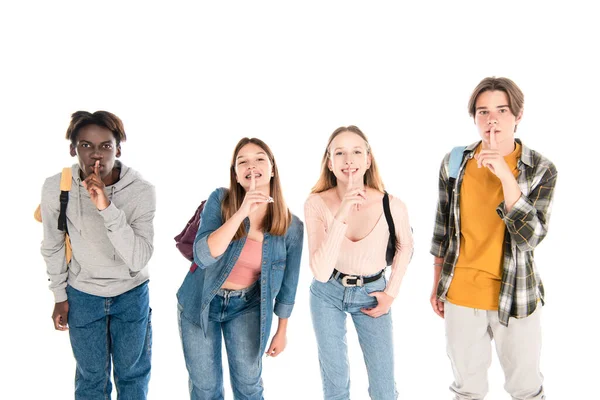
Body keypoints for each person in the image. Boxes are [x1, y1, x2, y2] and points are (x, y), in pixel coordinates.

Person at [430, 77, 558, 399]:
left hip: (517, 295)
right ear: (474, 117)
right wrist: (436, 284)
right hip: (460, 294)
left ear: (518, 115)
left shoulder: (541, 168)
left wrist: (504, 174)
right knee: (467, 390)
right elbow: (441, 229)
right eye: (483, 112)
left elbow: (530, 238)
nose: (492, 120)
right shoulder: (455, 161)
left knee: (526, 389)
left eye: (501, 110)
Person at [176, 137, 304, 400]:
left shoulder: (291, 227)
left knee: (249, 386)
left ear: (272, 168)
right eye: (242, 161)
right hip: (200, 300)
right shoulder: (220, 199)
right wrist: (242, 211)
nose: (251, 165)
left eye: (259, 159)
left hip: (247, 306)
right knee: (205, 388)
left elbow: (289, 286)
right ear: (235, 174)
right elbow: (203, 255)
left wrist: (282, 331)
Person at [40, 111, 155, 399]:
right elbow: (52, 244)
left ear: (118, 149)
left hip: (130, 294)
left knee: (132, 378)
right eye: (86, 145)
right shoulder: (57, 187)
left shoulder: (141, 191)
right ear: (72, 149)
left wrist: (106, 207)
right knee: (91, 381)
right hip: (82, 296)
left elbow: (138, 258)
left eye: (105, 146)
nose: (96, 155)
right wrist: (59, 296)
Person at [305, 125, 414, 400]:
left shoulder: (392, 204)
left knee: (383, 387)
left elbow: (406, 247)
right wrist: (341, 214)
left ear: (368, 159)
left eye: (356, 151)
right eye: (339, 153)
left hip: (372, 294)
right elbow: (320, 272)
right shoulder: (315, 203)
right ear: (330, 163)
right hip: (327, 293)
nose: (348, 160)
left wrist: (391, 294)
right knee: (336, 384)